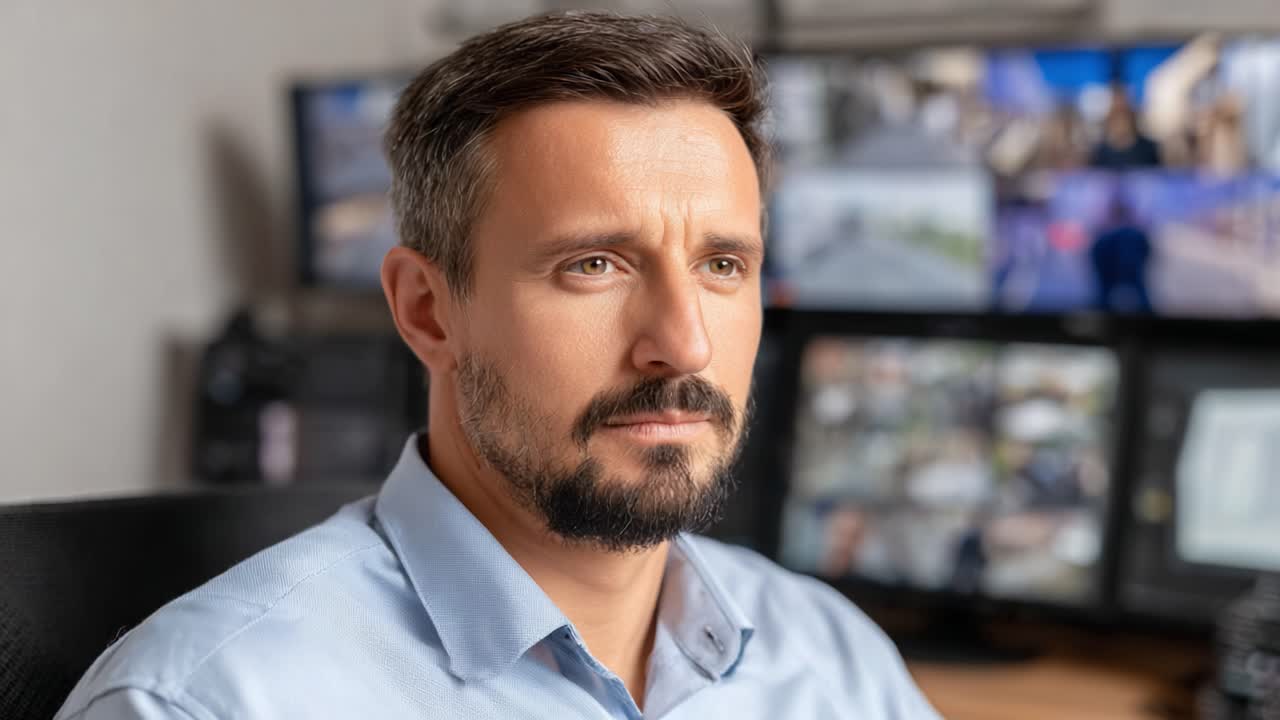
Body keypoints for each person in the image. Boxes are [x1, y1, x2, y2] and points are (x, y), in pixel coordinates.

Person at [56, 11, 939, 720]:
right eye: (593, 265)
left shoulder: (831, 655)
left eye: (722, 266)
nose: (686, 343)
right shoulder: (210, 699)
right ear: (427, 311)